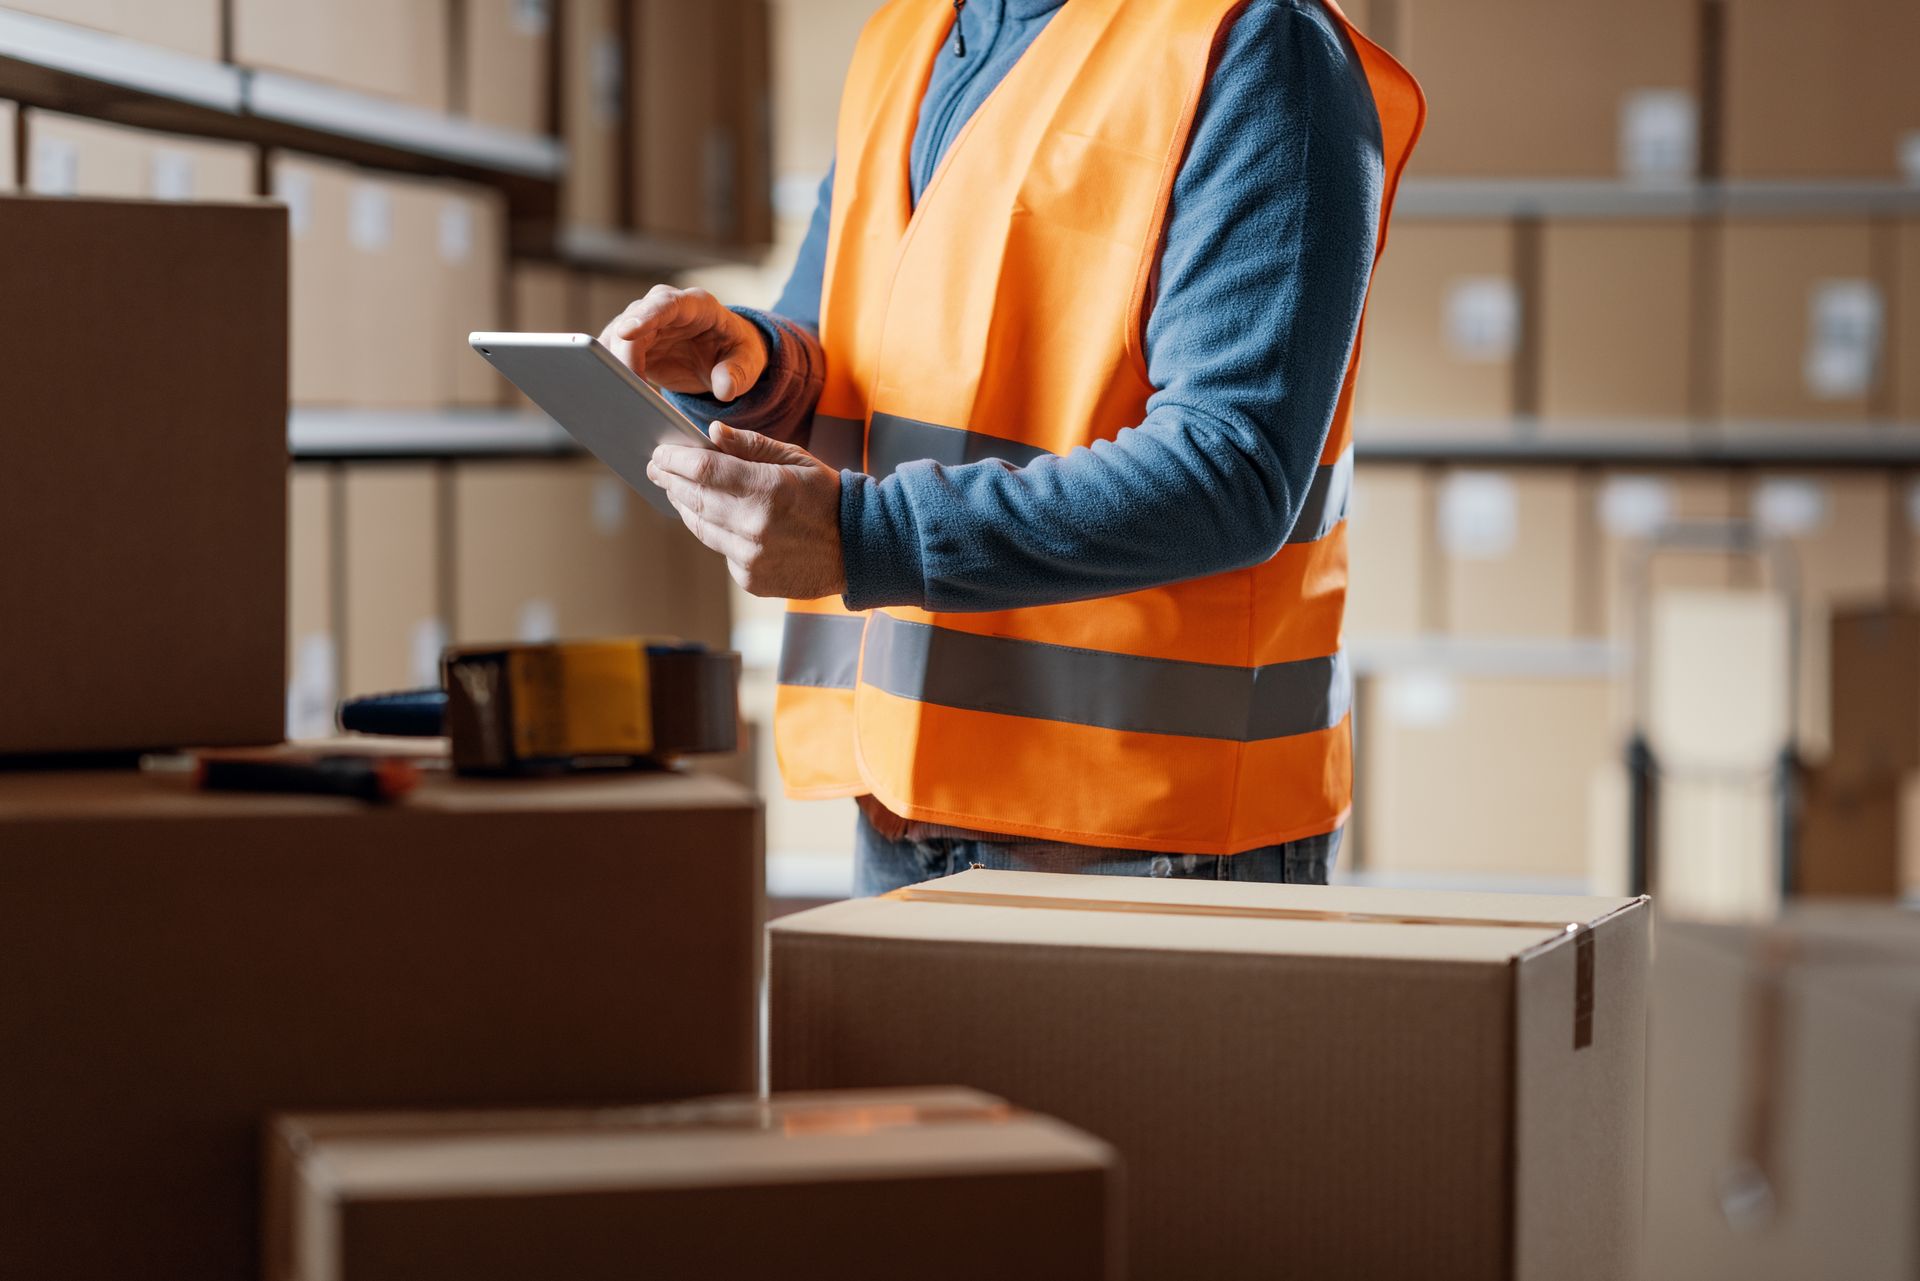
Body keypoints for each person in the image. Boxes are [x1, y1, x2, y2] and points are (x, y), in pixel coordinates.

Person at [606, 0, 1422, 894]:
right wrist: (757, 367)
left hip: (1152, 834)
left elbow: (1232, 468)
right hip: (902, 802)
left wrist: (863, 535)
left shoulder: (1253, 40)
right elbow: (851, 342)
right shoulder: (902, 39)